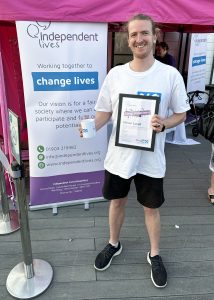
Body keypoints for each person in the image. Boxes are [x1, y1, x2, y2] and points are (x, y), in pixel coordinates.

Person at [80, 13, 189, 288]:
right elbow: (104, 113)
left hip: (151, 160)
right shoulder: (116, 75)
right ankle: (113, 244)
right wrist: (88, 128)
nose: (139, 39)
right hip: (119, 158)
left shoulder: (169, 75)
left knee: (151, 208)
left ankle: (154, 254)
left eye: (144, 33)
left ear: (155, 36)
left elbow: (181, 114)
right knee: (117, 202)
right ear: (127, 40)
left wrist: (164, 123)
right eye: (133, 35)